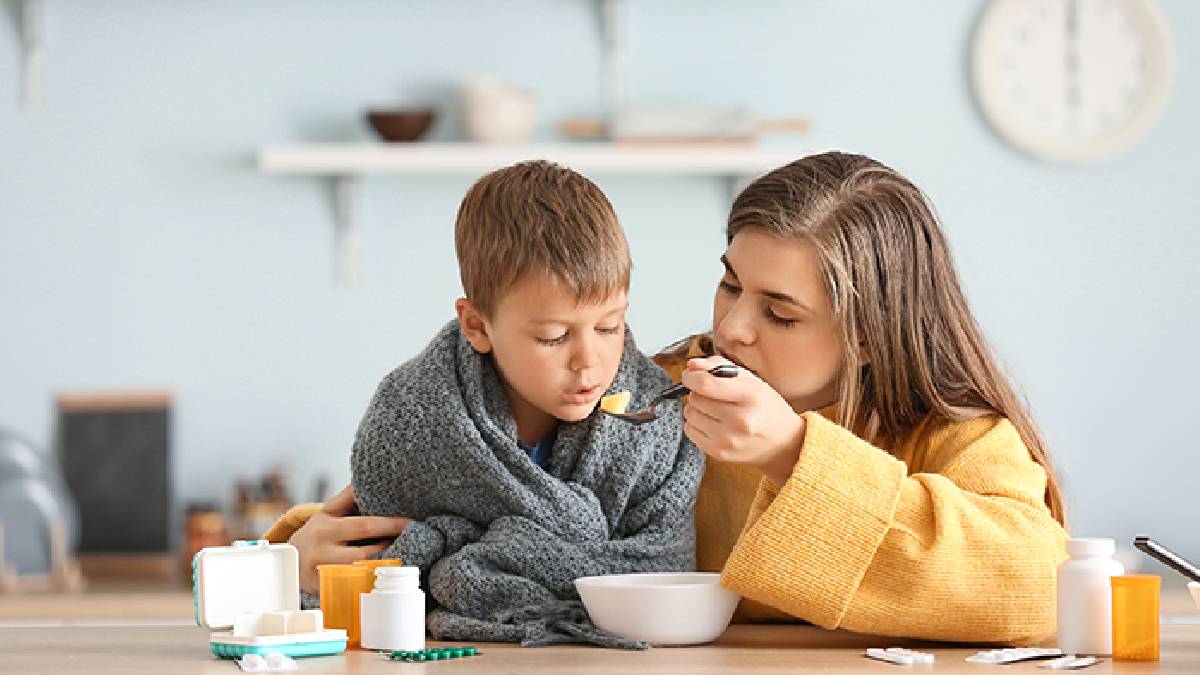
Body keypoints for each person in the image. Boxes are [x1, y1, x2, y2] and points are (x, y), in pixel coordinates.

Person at [270, 151, 1067, 644]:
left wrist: (793, 455)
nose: (730, 327)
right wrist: (297, 558)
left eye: (779, 311)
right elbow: (469, 491)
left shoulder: (951, 432)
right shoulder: (646, 397)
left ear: (867, 334)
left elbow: (1032, 581)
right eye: (729, 283)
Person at [273, 160, 702, 648]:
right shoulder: (410, 422)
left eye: (610, 326)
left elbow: (665, 568)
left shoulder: (655, 415)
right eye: (553, 336)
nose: (590, 361)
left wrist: (485, 556)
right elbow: (366, 575)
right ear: (476, 325)